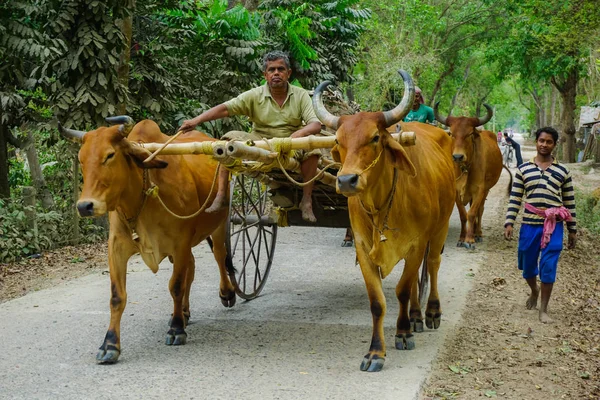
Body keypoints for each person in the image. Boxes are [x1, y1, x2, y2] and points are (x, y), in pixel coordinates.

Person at [180, 51, 322, 222]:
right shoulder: (254, 95)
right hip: (259, 140)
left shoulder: (300, 95)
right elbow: (226, 108)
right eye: (271, 70)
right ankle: (221, 195)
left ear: (288, 73)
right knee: (227, 141)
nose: (276, 73)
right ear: (265, 75)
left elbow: (315, 124)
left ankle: (306, 201)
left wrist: (295, 137)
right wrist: (196, 120)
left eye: (280, 69)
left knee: (313, 149)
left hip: (290, 143)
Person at [504, 127, 577, 324]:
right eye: (541, 141)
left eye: (549, 142)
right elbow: (515, 198)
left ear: (554, 145)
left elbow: (569, 202)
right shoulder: (523, 170)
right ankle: (534, 290)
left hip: (554, 225)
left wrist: (573, 230)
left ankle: (543, 310)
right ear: (536, 142)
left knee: (548, 265)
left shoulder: (563, 171)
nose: (544, 145)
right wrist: (509, 222)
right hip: (529, 224)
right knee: (527, 266)